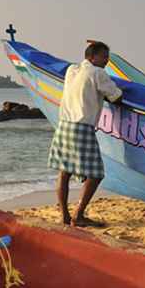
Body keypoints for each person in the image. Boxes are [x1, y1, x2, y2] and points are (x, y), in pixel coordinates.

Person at [49, 41, 123, 227]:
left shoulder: (72, 70)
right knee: (96, 174)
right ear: (92, 57)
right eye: (104, 56)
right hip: (82, 126)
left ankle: (65, 215)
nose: (106, 60)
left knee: (64, 171)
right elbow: (116, 96)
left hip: (64, 124)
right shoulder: (98, 73)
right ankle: (78, 215)